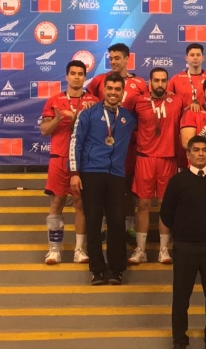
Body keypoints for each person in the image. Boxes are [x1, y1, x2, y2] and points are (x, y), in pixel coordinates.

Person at [160, 136, 206, 349]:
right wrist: (183, 233)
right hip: (185, 247)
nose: (200, 154)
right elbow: (166, 214)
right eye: (196, 150)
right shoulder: (177, 181)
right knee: (181, 297)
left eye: (204, 150)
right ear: (188, 154)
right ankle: (180, 340)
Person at [69, 73, 137, 285]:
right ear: (103, 90)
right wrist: (74, 173)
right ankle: (97, 270)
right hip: (91, 173)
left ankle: (116, 270)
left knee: (117, 222)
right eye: (110, 89)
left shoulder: (128, 118)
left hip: (117, 175)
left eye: (117, 89)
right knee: (94, 222)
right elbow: (75, 142)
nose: (113, 92)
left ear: (122, 92)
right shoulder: (88, 114)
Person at [87, 43, 148, 241]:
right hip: (104, 146)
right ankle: (106, 227)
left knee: (128, 188)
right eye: (111, 58)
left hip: (129, 146)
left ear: (127, 58)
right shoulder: (99, 80)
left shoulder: (139, 83)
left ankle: (128, 228)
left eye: (117, 58)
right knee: (106, 187)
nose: (113, 62)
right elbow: (88, 98)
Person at [40, 60, 99, 265]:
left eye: (80, 74)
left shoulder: (93, 101)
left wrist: (84, 116)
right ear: (66, 76)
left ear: (85, 77)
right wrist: (58, 119)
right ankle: (54, 250)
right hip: (59, 158)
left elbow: (98, 133)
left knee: (80, 204)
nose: (76, 77)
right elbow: (45, 130)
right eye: (72, 73)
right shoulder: (54, 100)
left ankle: (79, 250)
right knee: (56, 202)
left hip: (83, 162)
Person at [128, 68, 186, 265]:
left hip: (168, 159)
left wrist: (194, 104)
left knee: (165, 205)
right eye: (156, 80)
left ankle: (163, 250)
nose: (160, 84)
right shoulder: (138, 101)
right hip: (144, 158)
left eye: (163, 80)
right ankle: (141, 250)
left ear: (167, 82)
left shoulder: (177, 100)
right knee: (143, 204)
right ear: (149, 82)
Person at [167, 43, 206, 112]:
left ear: (203, 58)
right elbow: (168, 102)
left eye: (198, 55)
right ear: (186, 58)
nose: (195, 58)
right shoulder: (175, 79)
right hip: (183, 118)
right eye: (192, 55)